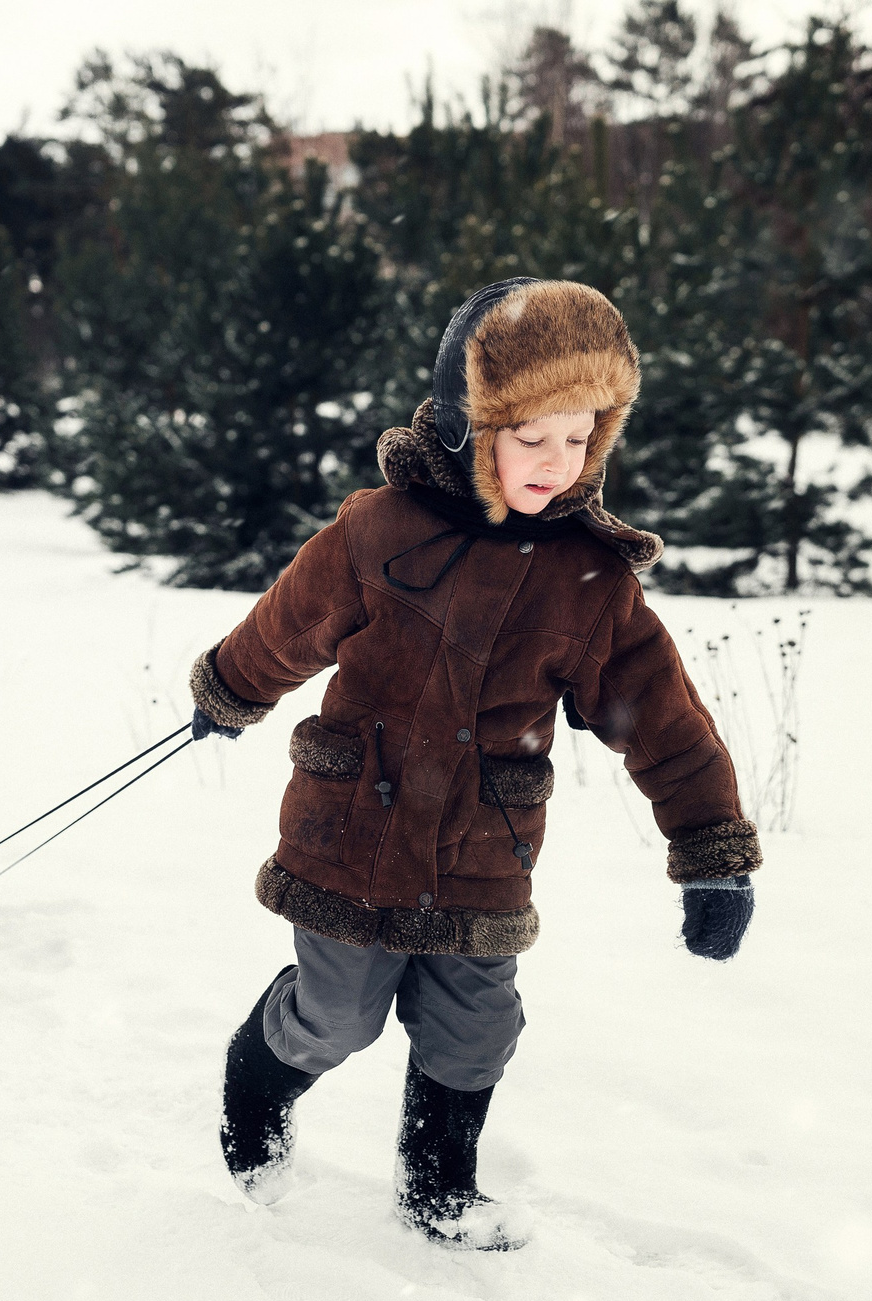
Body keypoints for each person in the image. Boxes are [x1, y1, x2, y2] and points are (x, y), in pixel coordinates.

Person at [188, 278, 760, 1250]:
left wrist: (710, 849)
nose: (557, 462)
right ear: (466, 423)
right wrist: (230, 689)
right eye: (530, 436)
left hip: (482, 847)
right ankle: (255, 1089)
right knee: (337, 1018)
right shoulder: (377, 531)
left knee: (474, 1031)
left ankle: (439, 1187)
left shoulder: (589, 580)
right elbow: (289, 625)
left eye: (579, 438)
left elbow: (662, 718)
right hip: (351, 835)